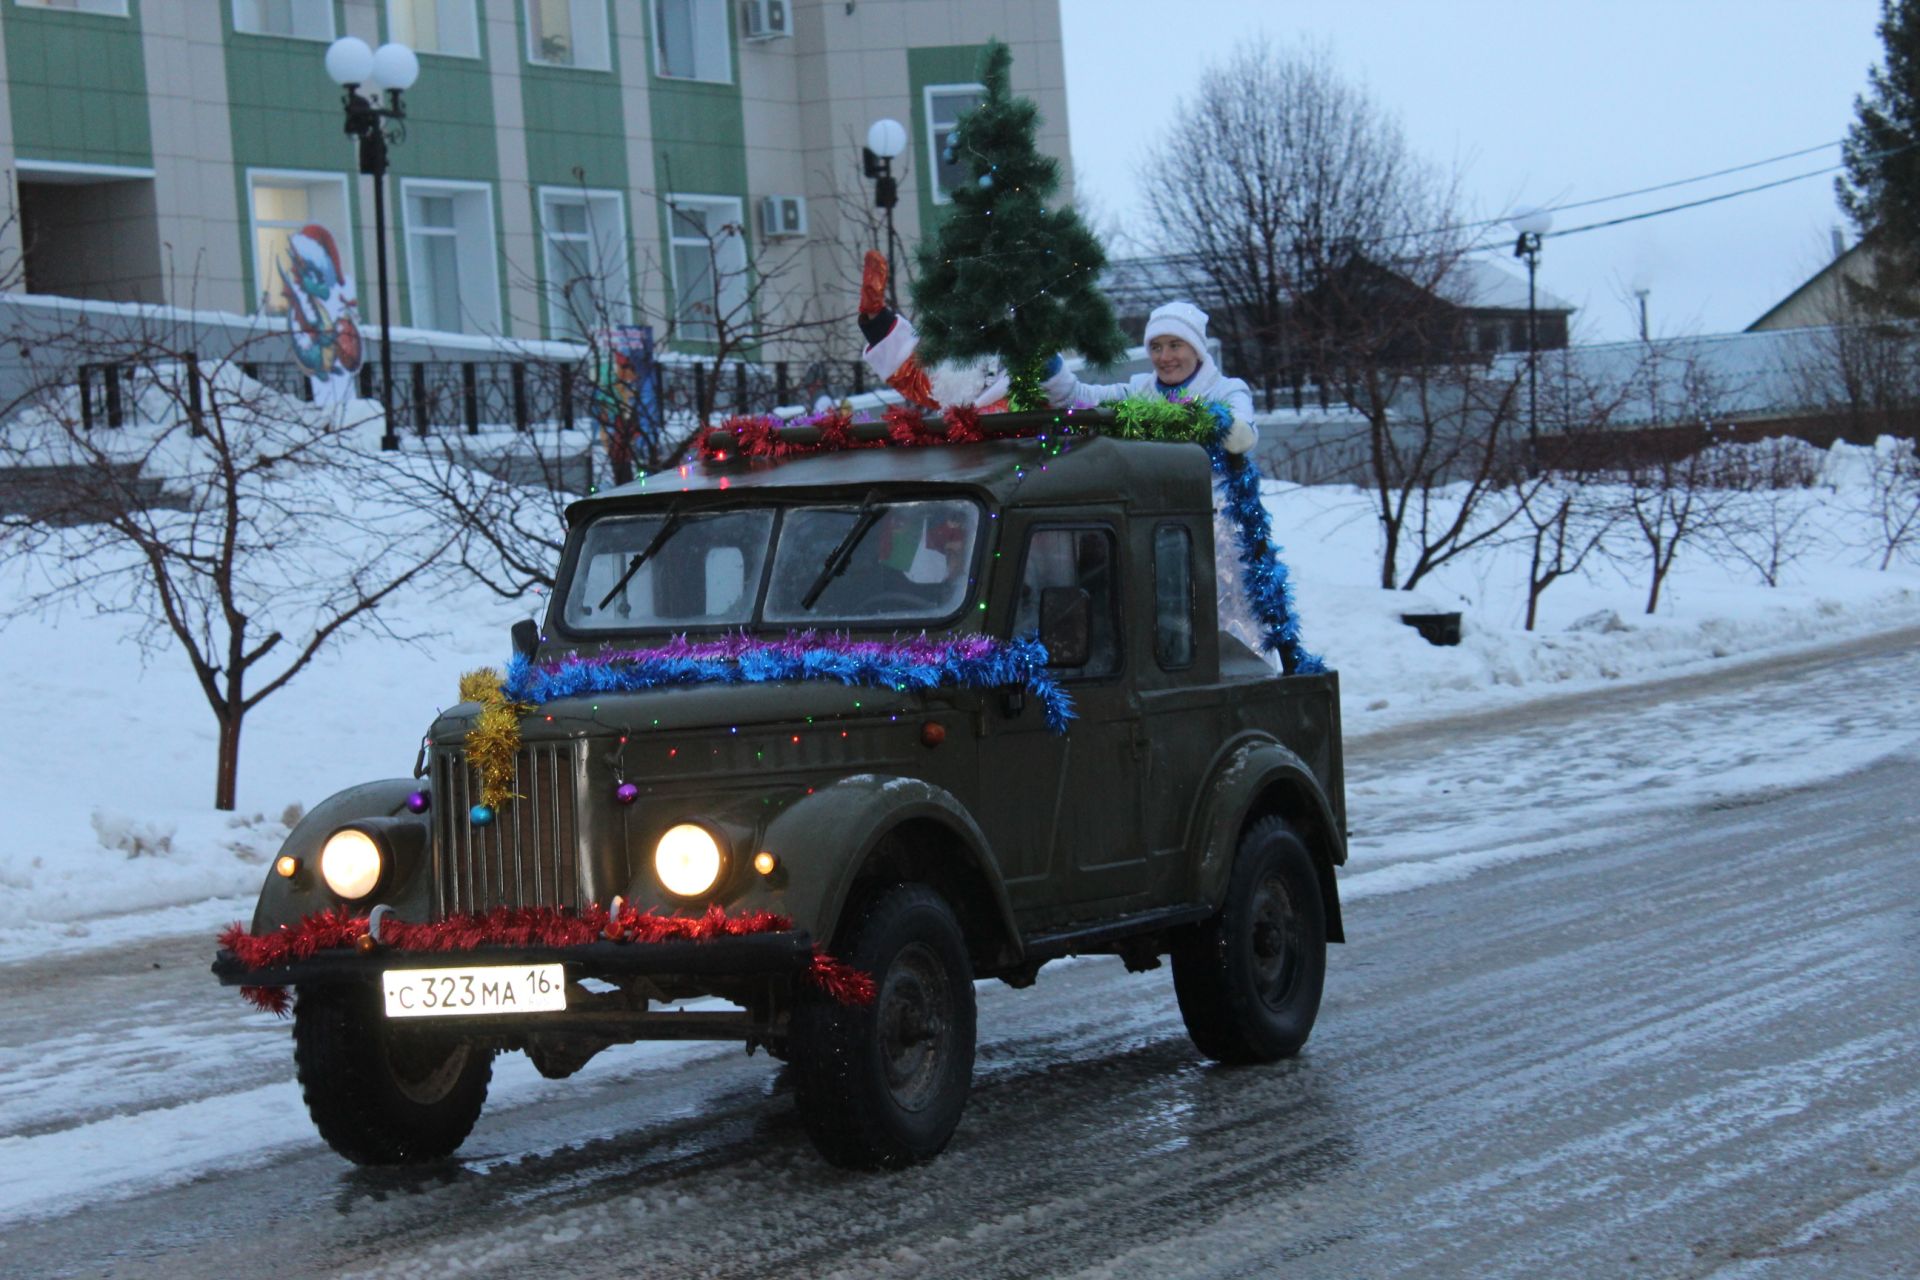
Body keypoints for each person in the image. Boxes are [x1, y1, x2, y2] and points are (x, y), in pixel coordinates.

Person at [1043, 300, 1259, 454]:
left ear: (1197, 349)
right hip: (1149, 511)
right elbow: (1078, 398)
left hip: (1211, 513)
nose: (1164, 357)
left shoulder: (1227, 391)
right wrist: (1048, 362)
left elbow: (1241, 435)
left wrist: (1228, 427)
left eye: (1175, 345)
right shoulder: (1138, 391)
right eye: (1156, 347)